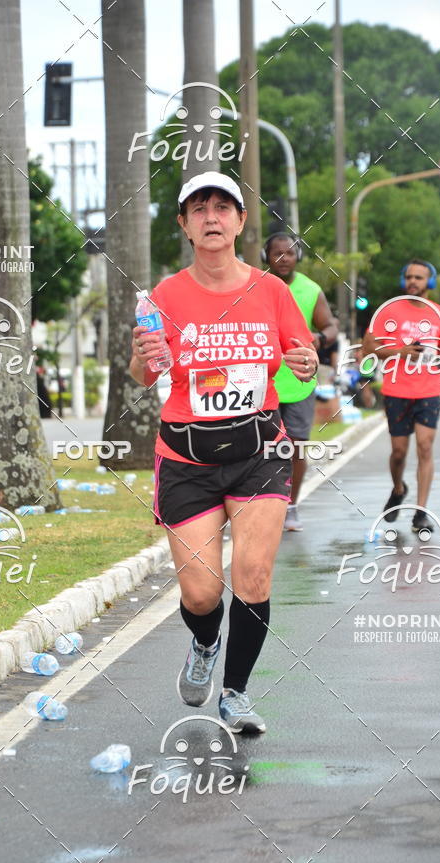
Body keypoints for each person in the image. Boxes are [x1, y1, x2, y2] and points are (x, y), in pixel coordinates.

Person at [129, 172, 318, 734]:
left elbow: (300, 354)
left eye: (223, 207)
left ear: (239, 221)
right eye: (199, 208)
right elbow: (143, 374)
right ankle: (205, 643)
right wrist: (148, 357)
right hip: (187, 456)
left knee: (254, 576)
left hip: (259, 449)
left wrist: (305, 362)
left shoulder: (272, 290)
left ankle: (234, 694)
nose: (212, 217)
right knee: (202, 591)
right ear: (185, 225)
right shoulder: (163, 296)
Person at [362, 259, 440, 534]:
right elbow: (369, 347)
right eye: (410, 277)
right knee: (399, 453)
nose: (414, 281)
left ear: (430, 282)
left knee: (425, 448)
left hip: (428, 390)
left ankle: (420, 512)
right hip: (396, 391)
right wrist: (399, 353)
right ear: (404, 280)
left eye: (420, 277)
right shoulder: (388, 311)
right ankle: (399, 487)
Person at [264, 233, 337, 531]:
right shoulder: (255, 285)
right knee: (261, 448)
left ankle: (291, 505)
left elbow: (330, 325)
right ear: (265, 256)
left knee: (296, 447)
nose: (283, 259)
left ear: (299, 257)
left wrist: (320, 338)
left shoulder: (310, 289)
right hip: (262, 381)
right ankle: (263, 506)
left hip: (299, 381)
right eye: (277, 253)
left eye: (290, 253)